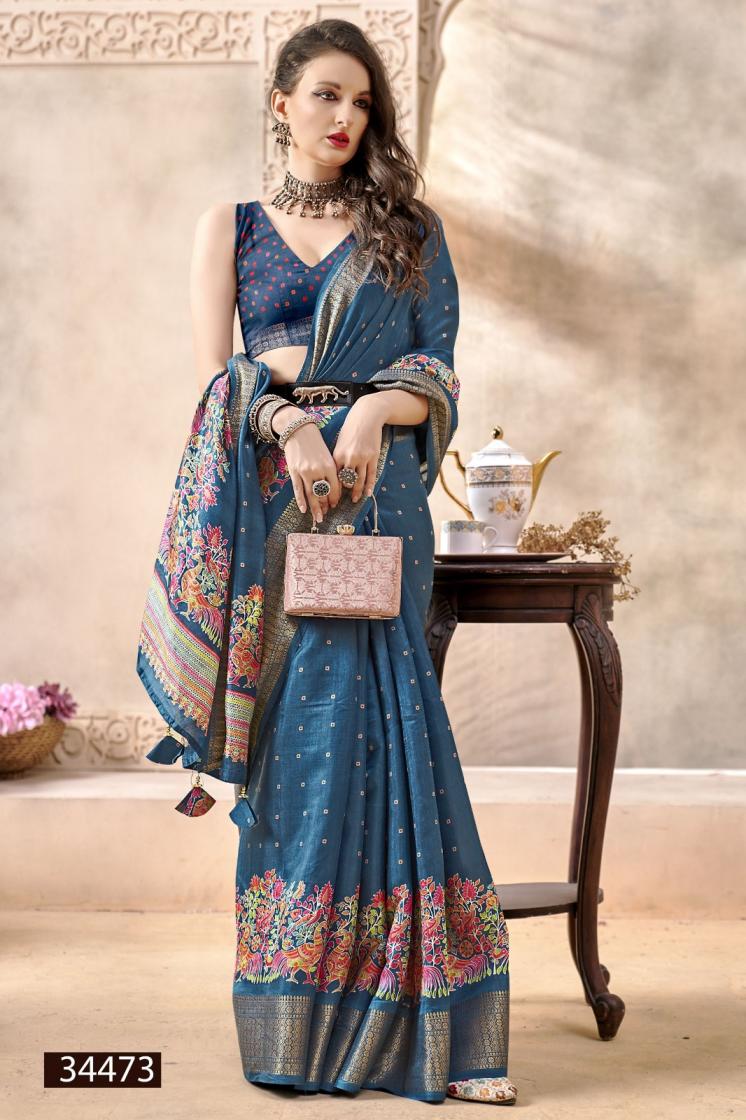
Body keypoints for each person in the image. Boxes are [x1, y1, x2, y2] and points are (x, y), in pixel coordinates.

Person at [137, 16, 518, 1107]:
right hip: (275, 511)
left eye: (362, 102)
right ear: (281, 103)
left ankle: (440, 1028)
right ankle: (298, 1028)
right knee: (299, 753)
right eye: (325, 96)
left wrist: (372, 413)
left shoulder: (408, 231)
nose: (346, 117)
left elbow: (437, 368)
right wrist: (289, 424)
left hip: (377, 501)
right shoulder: (230, 228)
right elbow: (217, 380)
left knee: (395, 736)